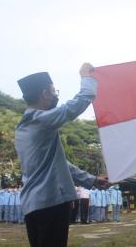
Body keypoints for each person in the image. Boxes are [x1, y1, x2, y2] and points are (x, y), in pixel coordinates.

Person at [15, 66, 108, 247]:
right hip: (50, 202)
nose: (56, 95)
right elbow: (74, 106)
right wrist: (86, 78)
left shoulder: (23, 126)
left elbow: (60, 164)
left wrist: (91, 180)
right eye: (53, 91)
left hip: (34, 204)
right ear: (45, 94)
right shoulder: (40, 119)